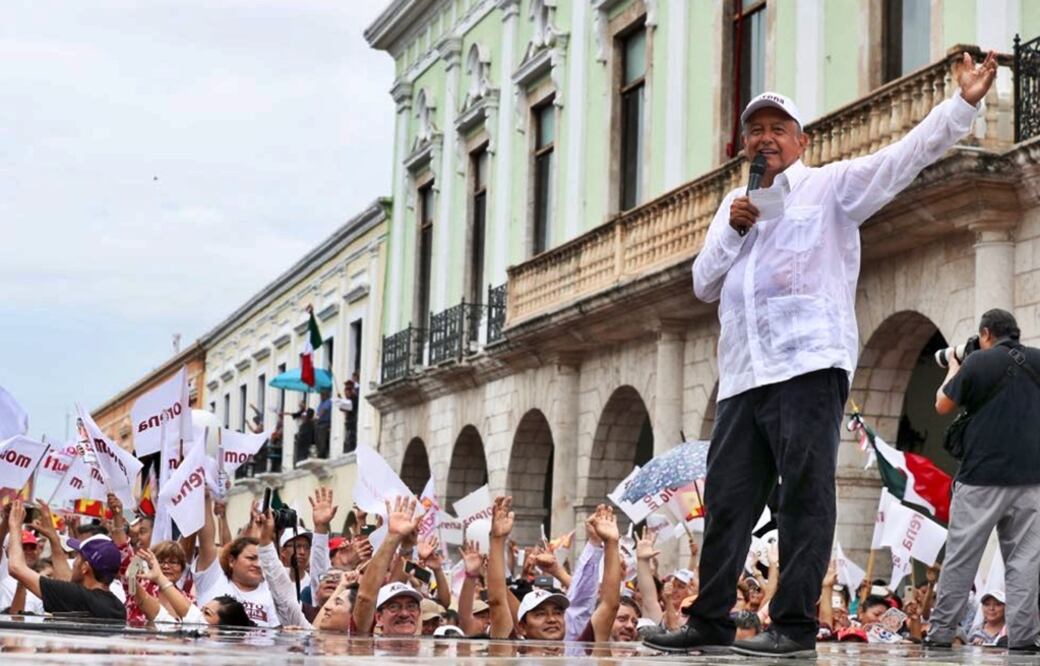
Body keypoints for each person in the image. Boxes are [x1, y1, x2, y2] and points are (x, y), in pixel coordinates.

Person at [645, 51, 999, 658]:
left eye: (776, 129)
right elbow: (703, 284)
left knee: (806, 493)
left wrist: (961, 106)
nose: (764, 139)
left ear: (800, 142)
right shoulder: (733, 207)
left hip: (808, 366)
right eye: (755, 130)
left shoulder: (828, 189)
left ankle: (795, 626)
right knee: (728, 500)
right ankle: (708, 621)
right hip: (742, 375)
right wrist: (733, 229)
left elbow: (900, 160)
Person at [928, 308, 1040, 650]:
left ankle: (941, 633)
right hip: (1032, 479)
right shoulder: (1038, 361)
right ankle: (1023, 639)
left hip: (981, 477)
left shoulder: (978, 362)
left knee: (962, 557)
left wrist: (954, 366)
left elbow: (942, 405)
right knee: (1025, 563)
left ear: (986, 333)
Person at [5, 500, 124, 620]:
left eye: (78, 557)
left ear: (85, 567)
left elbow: (16, 567)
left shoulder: (80, 597)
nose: (74, 563)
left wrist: (15, 525)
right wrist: (53, 538)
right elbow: (66, 581)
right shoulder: (117, 607)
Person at [194, 495, 280, 627]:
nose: (258, 564)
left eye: (261, 559)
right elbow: (206, 542)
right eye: (251, 559)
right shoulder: (213, 580)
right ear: (231, 561)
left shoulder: (270, 590)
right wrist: (205, 499)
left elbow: (276, 632)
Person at [315, 390, 332, 459]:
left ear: (326, 395)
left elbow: (323, 411)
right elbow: (318, 412)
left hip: (325, 423)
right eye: (321, 395)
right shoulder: (321, 403)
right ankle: (319, 451)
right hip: (319, 423)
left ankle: (322, 453)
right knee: (317, 437)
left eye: (322, 395)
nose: (321, 397)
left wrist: (318, 417)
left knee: (322, 438)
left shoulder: (328, 402)